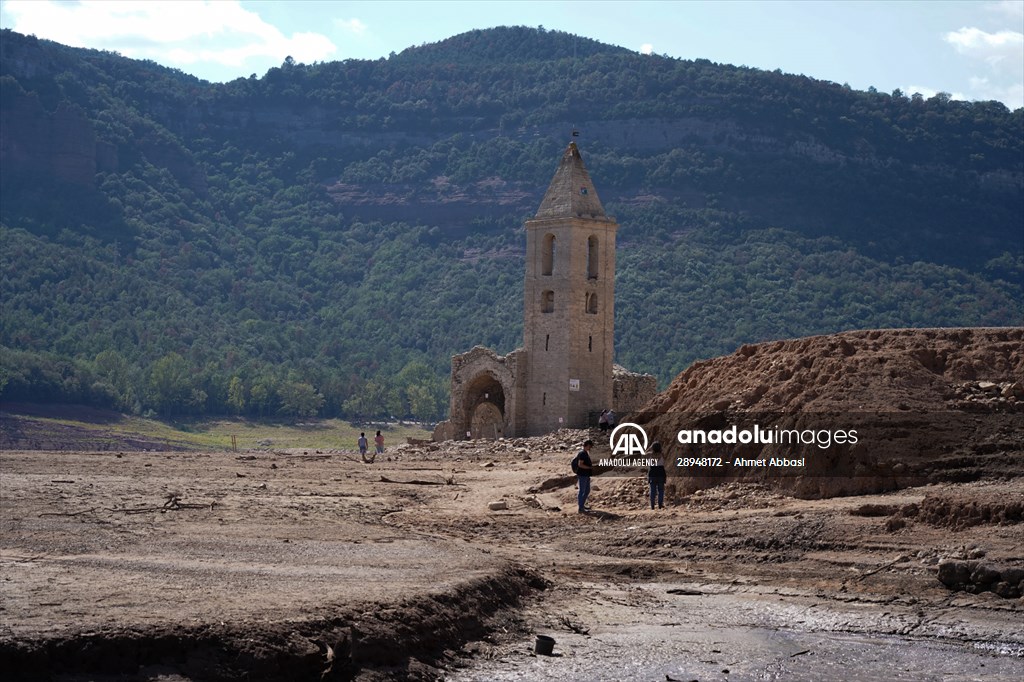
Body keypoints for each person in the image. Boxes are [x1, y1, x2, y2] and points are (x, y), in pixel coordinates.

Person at [574, 439, 594, 513]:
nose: (590, 448)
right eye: (590, 446)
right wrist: (589, 468)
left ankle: (582, 505)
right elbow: (580, 464)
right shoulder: (582, 453)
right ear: (587, 445)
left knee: (587, 490)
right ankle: (581, 508)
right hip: (582, 475)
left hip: (586, 475)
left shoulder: (585, 453)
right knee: (582, 491)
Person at [648, 441, 667, 509]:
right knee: (661, 490)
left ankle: (652, 505)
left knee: (652, 490)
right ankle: (660, 505)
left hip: (652, 472)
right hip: (661, 472)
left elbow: (644, 453)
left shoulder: (649, 455)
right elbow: (665, 459)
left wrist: (650, 448)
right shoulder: (662, 455)